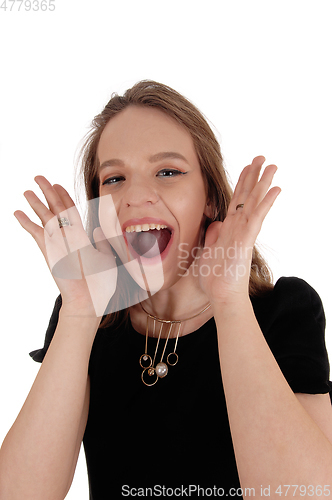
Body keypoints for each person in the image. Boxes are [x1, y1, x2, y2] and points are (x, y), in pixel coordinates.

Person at [1, 80, 331, 499]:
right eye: (115, 178)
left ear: (211, 198)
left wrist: (229, 302)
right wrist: (80, 314)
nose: (136, 196)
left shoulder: (284, 311)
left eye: (168, 172)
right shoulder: (85, 318)